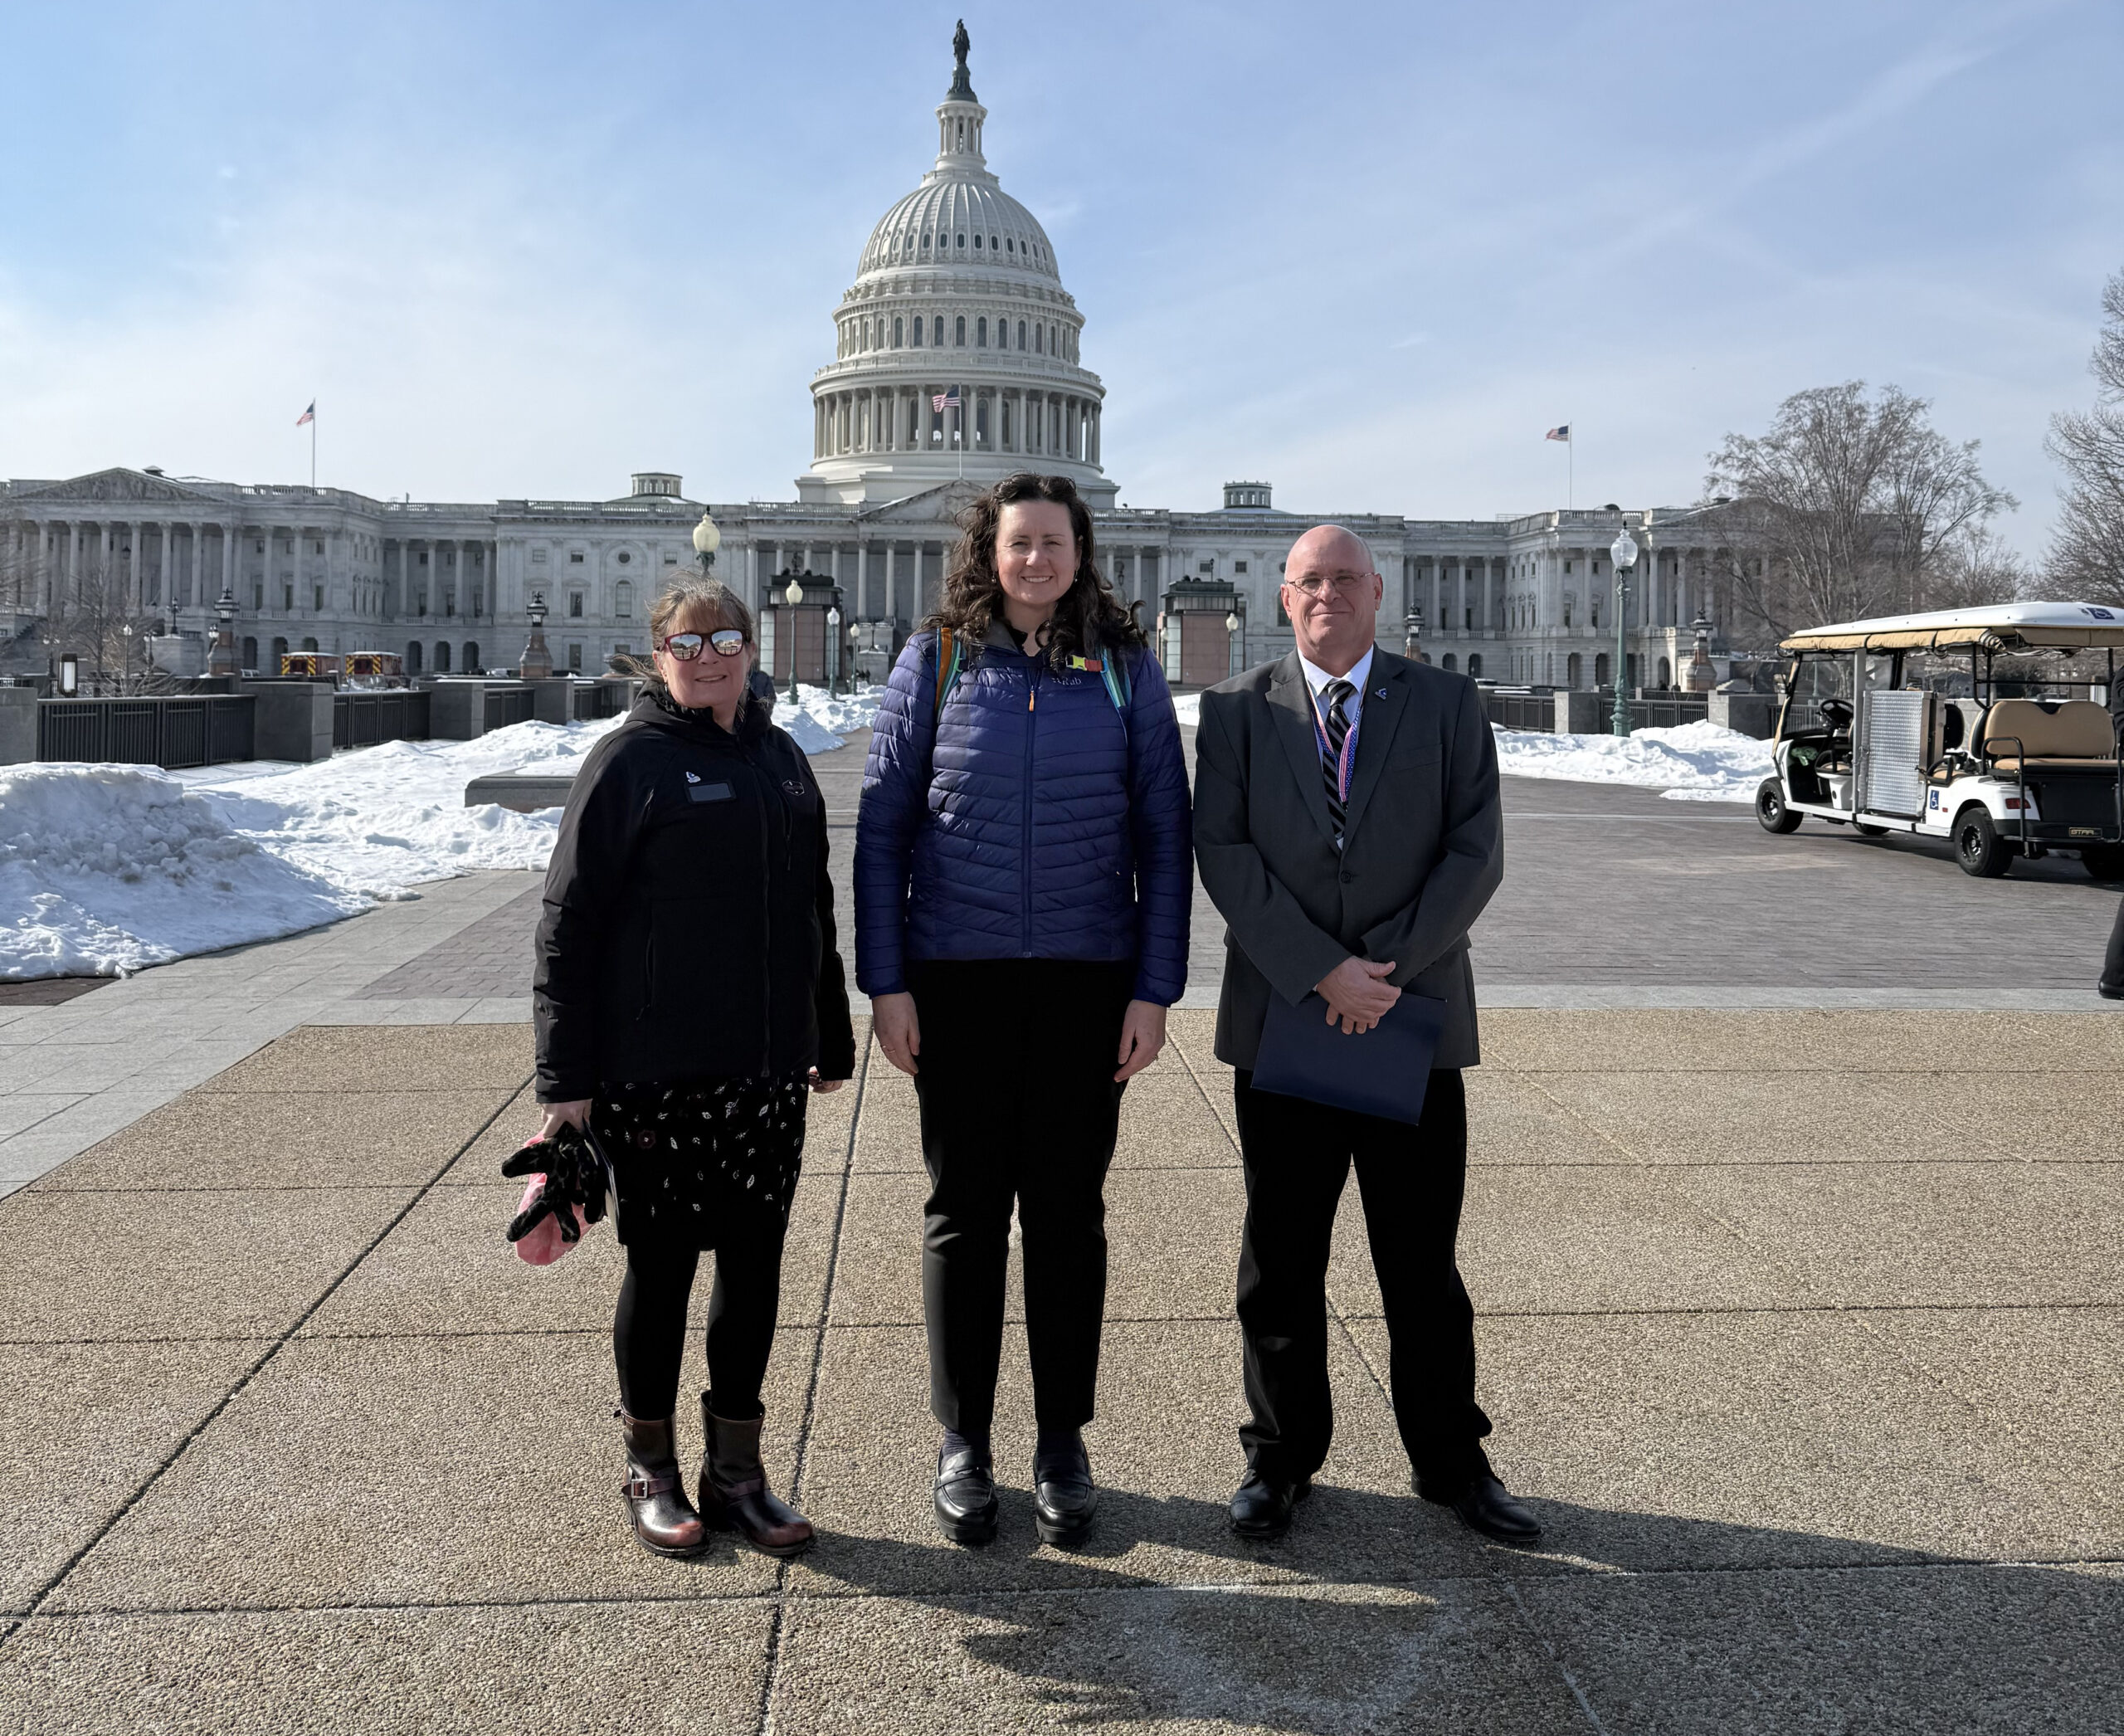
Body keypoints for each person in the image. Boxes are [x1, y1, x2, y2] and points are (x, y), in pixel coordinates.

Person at [855, 471, 1192, 1548]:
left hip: (1087, 978)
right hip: (959, 976)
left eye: (1054, 541)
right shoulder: (937, 660)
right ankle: (965, 1440)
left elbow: (1165, 841)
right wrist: (888, 980)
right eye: (1020, 543)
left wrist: (1154, 988)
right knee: (962, 1213)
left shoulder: (1127, 670)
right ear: (989, 553)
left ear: (1080, 550)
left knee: (1065, 1216)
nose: (1037, 559)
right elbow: (882, 830)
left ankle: (1061, 1439)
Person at [1192, 524, 1539, 1546]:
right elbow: (1223, 849)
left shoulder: (1444, 703)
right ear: (1282, 597)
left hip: (1409, 1018)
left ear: (1377, 592)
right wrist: (1320, 970)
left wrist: (1378, 970)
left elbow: (1476, 850)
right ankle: (1279, 1455)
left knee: (1420, 1258)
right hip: (1288, 1021)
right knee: (1281, 1258)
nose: (1328, 594)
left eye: (1346, 578)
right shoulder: (1233, 711)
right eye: (1310, 581)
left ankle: (1449, 1457)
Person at [532, 576, 855, 1559]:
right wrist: (564, 1082)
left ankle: (738, 1472)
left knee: (753, 1270)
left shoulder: (782, 759)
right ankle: (652, 1466)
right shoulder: (628, 761)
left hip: (762, 1067)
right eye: (686, 640)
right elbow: (567, 925)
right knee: (663, 1267)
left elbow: (812, 908)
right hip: (657, 1069)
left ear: (751, 648)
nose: (708, 654)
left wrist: (827, 1034)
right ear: (658, 653)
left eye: (724, 637)